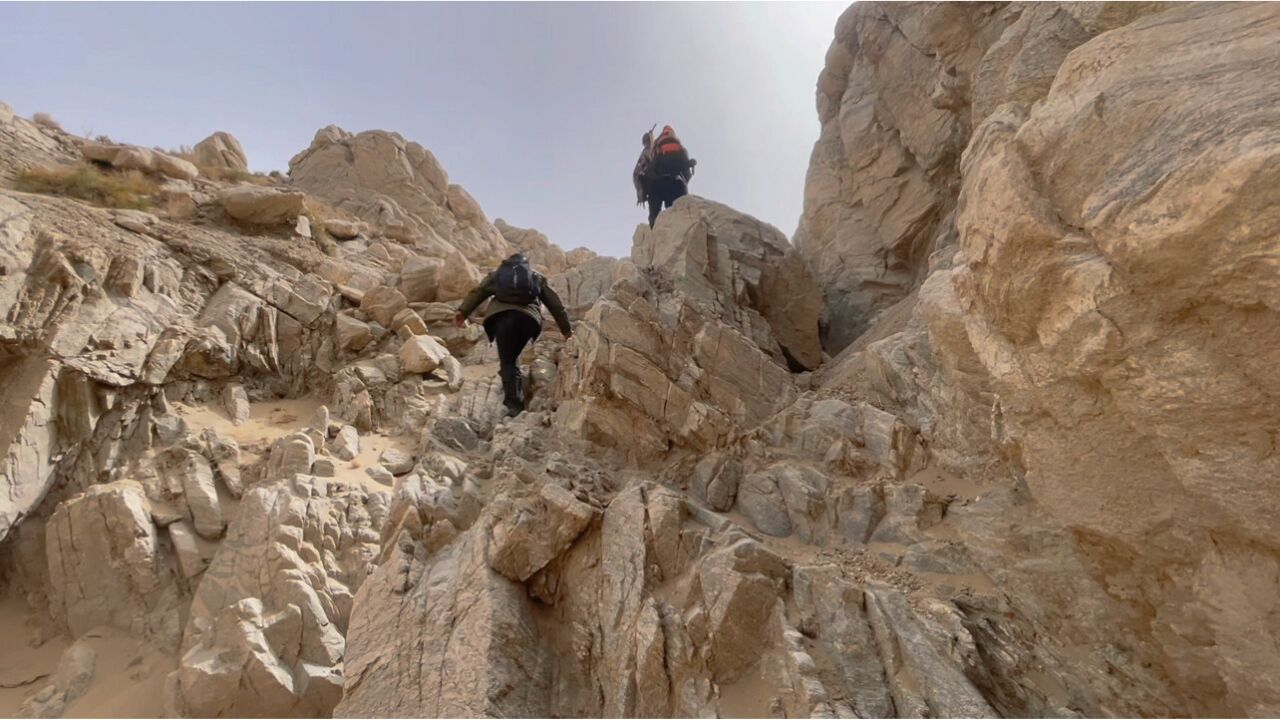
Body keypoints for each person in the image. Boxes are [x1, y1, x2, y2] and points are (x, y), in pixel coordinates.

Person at [454, 253, 573, 417]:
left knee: (508, 361)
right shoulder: (535, 277)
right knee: (514, 355)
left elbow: (479, 292)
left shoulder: (498, 275)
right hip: (528, 320)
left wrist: (463, 312)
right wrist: (566, 331)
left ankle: (514, 404)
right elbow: (555, 305)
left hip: (502, 319)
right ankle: (514, 388)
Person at [634, 125, 696, 228]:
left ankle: (654, 235)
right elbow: (687, 174)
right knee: (676, 218)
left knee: (655, 219)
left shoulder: (653, 149)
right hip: (677, 183)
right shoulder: (679, 147)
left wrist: (641, 194)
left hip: (656, 186)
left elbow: (638, 173)